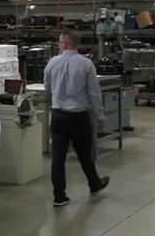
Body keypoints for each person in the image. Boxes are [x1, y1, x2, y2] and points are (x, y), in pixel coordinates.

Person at [44, 30, 110, 207]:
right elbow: (94, 93)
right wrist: (100, 115)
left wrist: (55, 103)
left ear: (65, 43)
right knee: (85, 155)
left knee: (58, 158)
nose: (58, 45)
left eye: (59, 42)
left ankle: (59, 196)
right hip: (79, 117)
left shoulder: (51, 63)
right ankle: (94, 184)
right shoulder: (86, 64)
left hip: (58, 116)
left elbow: (47, 87)